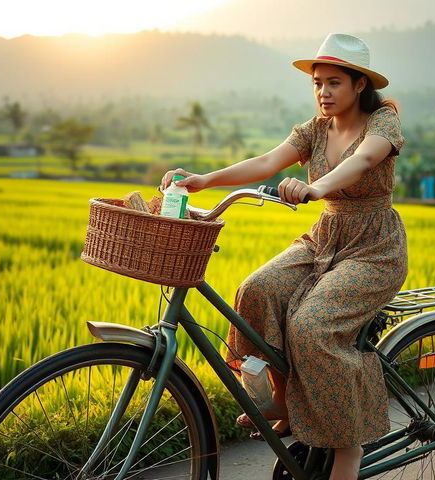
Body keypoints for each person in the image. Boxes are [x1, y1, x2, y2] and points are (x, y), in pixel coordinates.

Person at [161, 33, 408, 480]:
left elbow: (365, 160)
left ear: (359, 85)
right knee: (256, 289)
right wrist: (203, 180)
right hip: (325, 237)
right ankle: (283, 399)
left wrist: (318, 186)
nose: (323, 92)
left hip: (374, 248)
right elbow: (266, 163)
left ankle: (347, 445)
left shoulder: (382, 123)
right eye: (317, 83)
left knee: (312, 326)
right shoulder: (314, 130)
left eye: (334, 83)